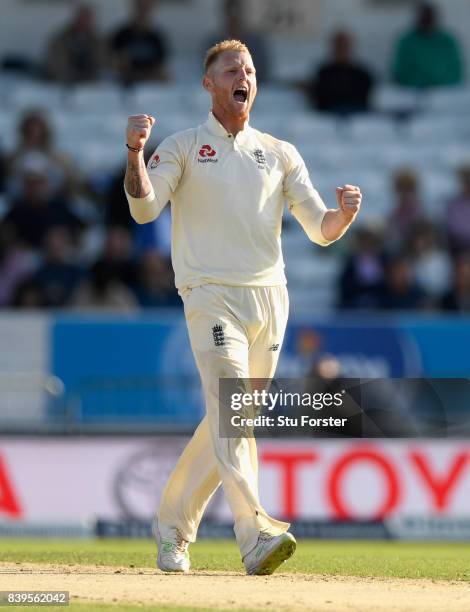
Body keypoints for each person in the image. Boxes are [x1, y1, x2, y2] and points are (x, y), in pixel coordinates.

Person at [124, 40, 362, 575]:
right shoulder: (183, 146)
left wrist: (343, 216)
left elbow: (319, 229)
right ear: (208, 84)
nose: (244, 76)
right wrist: (136, 152)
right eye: (232, 69)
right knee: (233, 410)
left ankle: (171, 529)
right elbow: (144, 210)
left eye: (250, 70)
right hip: (209, 292)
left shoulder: (279, 152)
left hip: (269, 298)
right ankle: (254, 533)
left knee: (229, 421)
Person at [392, 2, 463, 89]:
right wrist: (419, 83)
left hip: (444, 92)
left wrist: (438, 83)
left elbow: (456, 71)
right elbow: (399, 72)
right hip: (411, 91)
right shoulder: (407, 41)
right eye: (424, 19)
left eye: (429, 18)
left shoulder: (447, 41)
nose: (427, 22)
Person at [307, 30, 374, 114]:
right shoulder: (323, 73)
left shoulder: (363, 74)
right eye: (339, 45)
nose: (342, 49)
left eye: (345, 45)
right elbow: (319, 98)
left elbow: (365, 99)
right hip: (328, 117)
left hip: (357, 116)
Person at [110, 0, 169, 86]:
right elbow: (112, 60)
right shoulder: (121, 35)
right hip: (127, 79)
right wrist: (118, 62)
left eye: (145, 9)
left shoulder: (156, 37)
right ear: (134, 10)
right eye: (140, 8)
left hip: (149, 79)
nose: (142, 12)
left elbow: (161, 63)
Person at [43, 3, 106, 83]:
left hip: (89, 83)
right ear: (76, 19)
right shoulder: (62, 38)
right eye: (83, 18)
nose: (85, 22)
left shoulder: (96, 40)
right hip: (64, 82)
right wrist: (71, 74)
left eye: (88, 19)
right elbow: (56, 62)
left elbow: (102, 61)